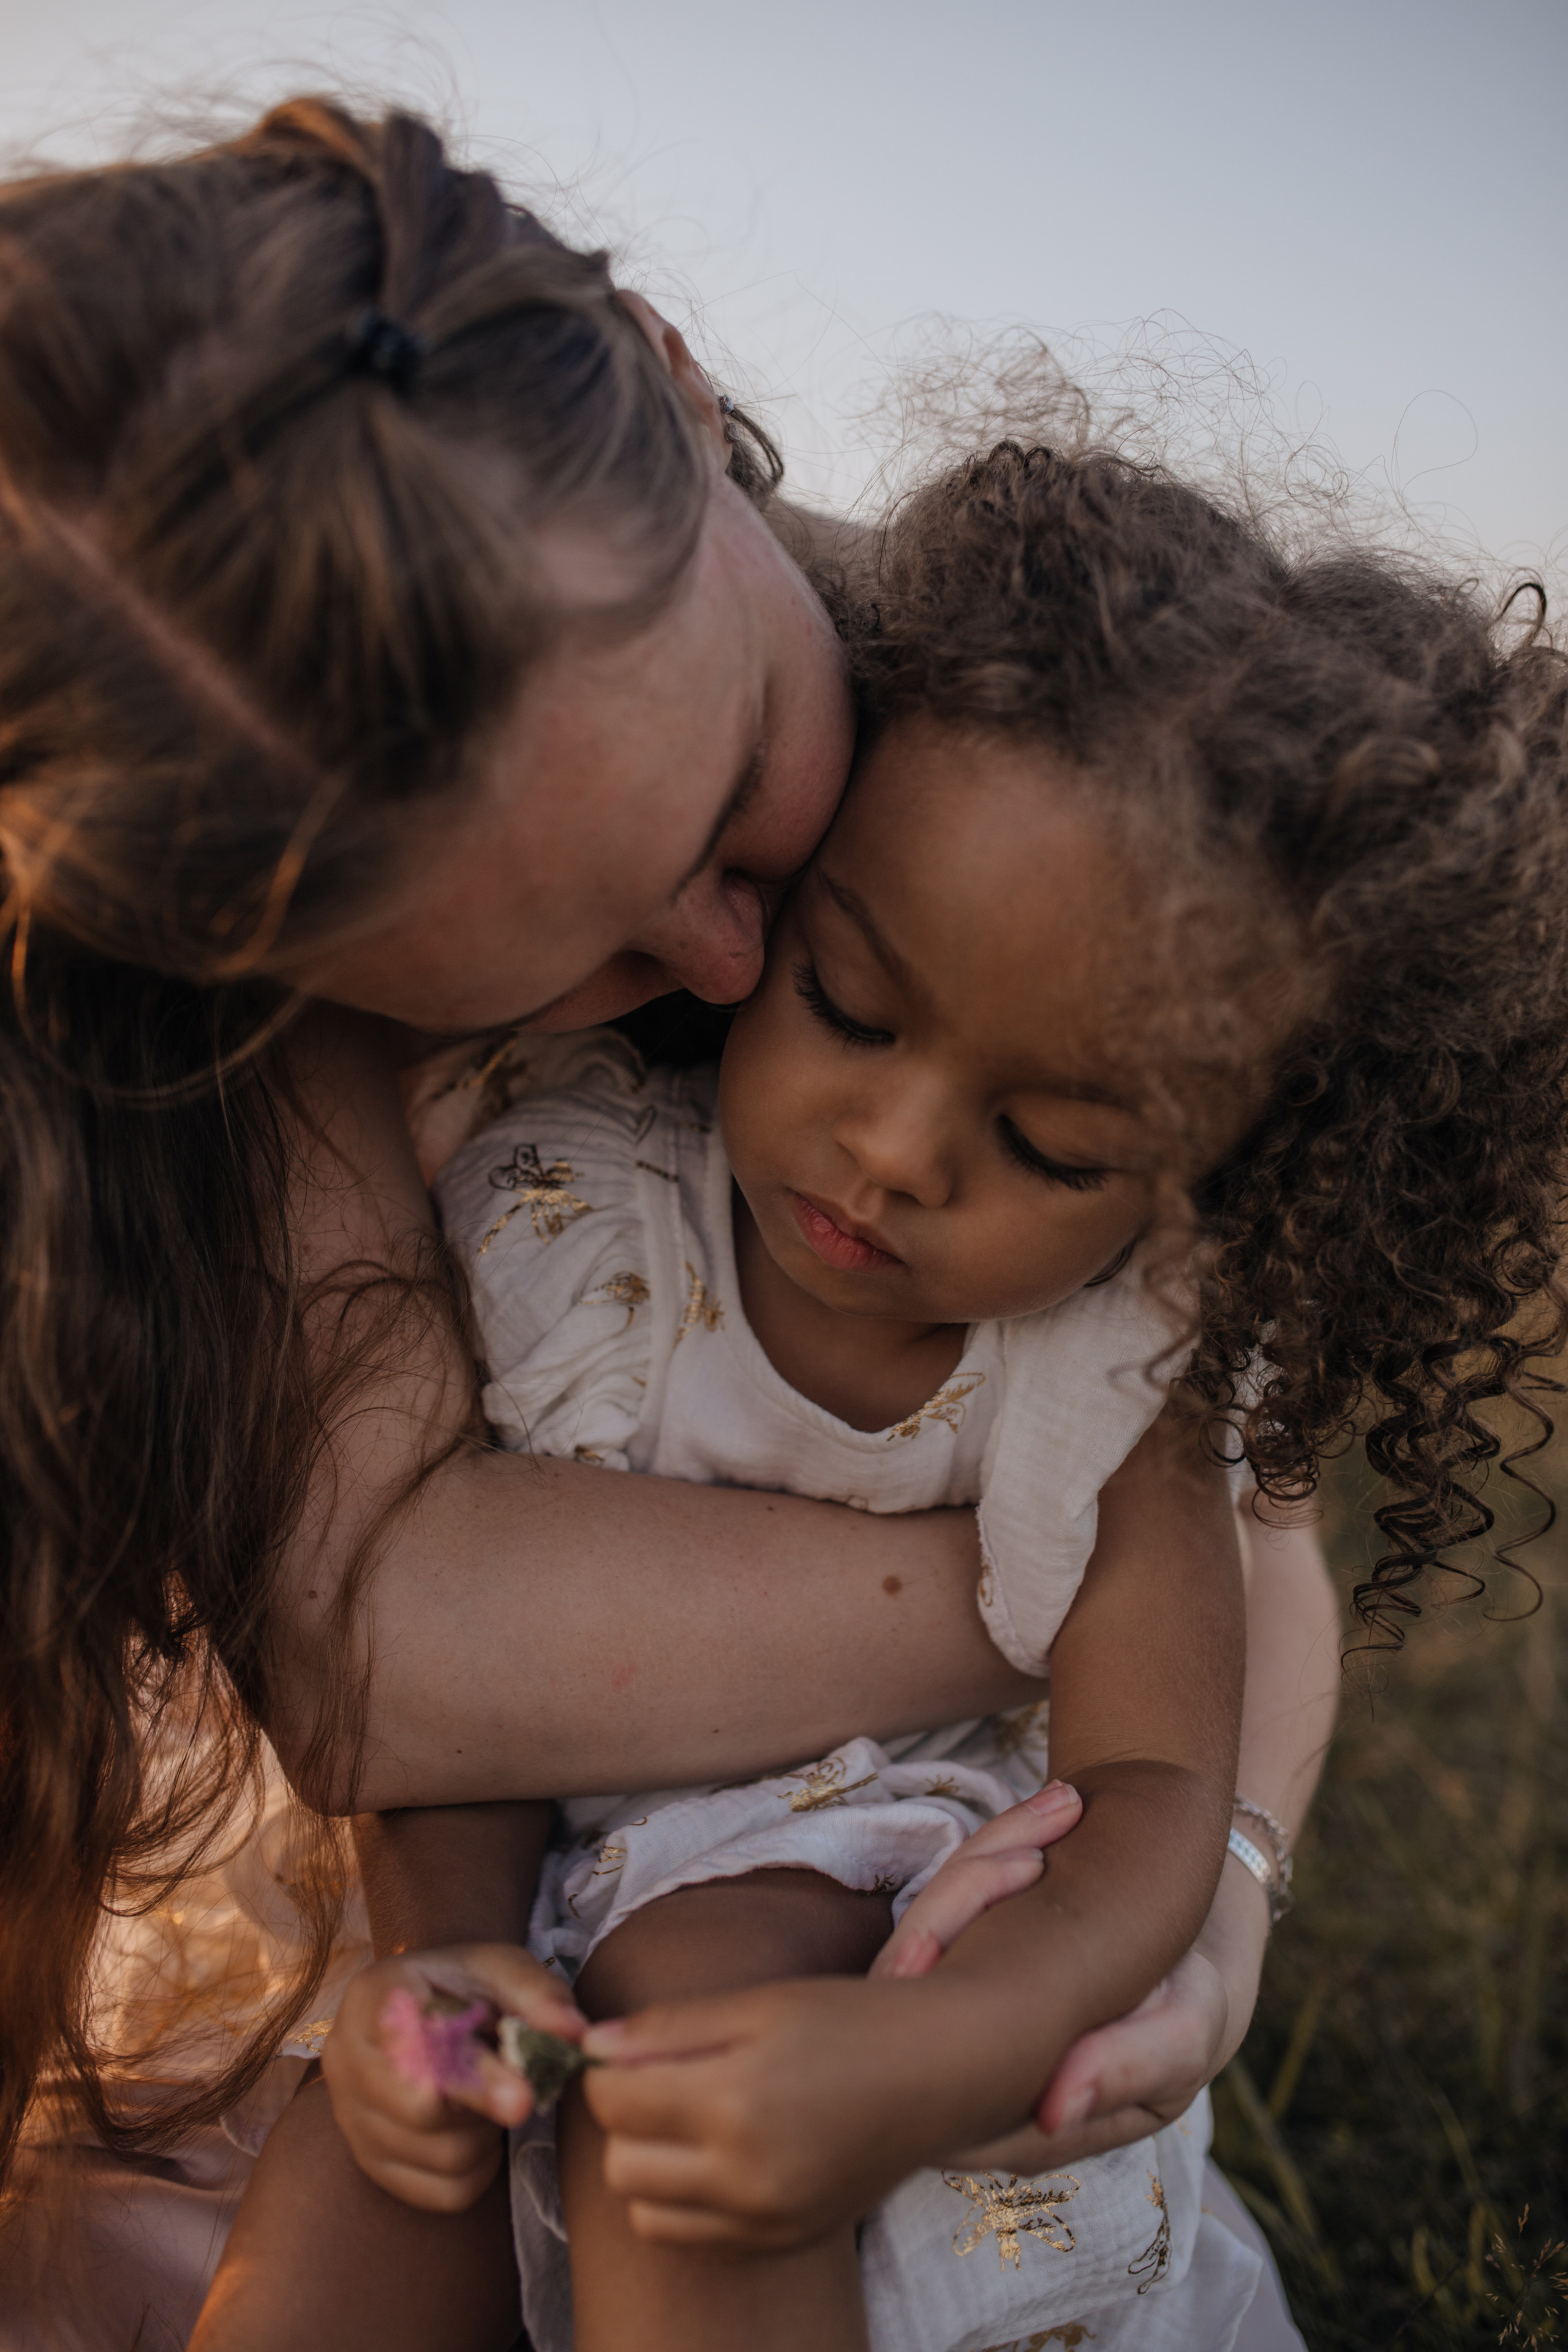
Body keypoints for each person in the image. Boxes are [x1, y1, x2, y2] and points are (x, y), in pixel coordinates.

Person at [261, 441, 1568, 2352]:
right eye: (851, 1012)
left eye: (1042, 1140)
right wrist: (443, 1968)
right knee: (344, 2193)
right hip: (504, 1898)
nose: (887, 1150)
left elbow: (1147, 1795)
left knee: (692, 2083)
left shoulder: (1105, 1386)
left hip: (886, 1934)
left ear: (1202, 1180)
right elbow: (446, 1724)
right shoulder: (575, 1217)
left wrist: (925, 2049)